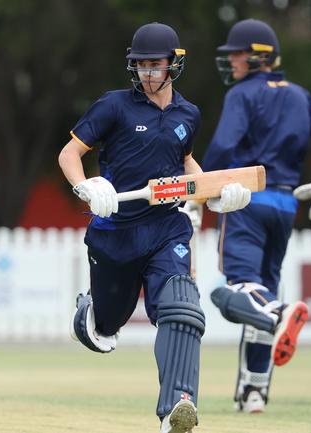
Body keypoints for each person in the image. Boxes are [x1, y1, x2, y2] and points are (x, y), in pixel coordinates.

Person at [58, 22, 251, 433]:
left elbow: (184, 166)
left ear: (173, 65)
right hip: (116, 233)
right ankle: (89, 315)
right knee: (105, 328)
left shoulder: (188, 114)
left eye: (154, 65)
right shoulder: (113, 106)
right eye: (140, 65)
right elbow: (69, 153)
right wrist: (87, 186)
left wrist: (215, 194)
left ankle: (176, 408)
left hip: (167, 227)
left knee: (182, 306)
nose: (147, 73)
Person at [188, 18, 311, 414]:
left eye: (238, 54)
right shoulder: (299, 95)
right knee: (257, 297)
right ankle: (253, 393)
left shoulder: (243, 94)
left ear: (259, 56)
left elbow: (225, 144)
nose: (232, 62)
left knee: (235, 290)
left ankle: (280, 315)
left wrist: (199, 192)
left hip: (246, 199)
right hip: (285, 205)